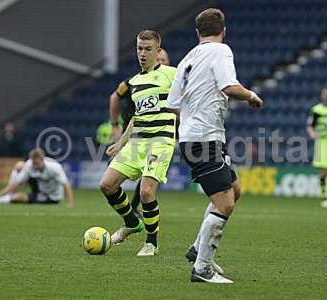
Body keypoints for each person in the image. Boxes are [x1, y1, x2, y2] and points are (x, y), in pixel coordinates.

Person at [167, 8, 263, 283]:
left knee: (234, 189)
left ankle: (198, 247)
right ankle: (202, 268)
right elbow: (229, 86)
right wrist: (253, 96)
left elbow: (173, 105)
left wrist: (193, 118)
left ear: (198, 33)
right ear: (224, 30)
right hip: (204, 139)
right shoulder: (221, 51)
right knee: (225, 204)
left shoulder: (187, 58)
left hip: (194, 137)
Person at [100, 31, 176, 256]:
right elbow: (137, 117)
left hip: (161, 141)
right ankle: (132, 222)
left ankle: (151, 242)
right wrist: (121, 142)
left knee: (146, 192)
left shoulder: (173, 74)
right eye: (139, 49)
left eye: (148, 49)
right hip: (137, 143)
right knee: (107, 185)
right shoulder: (134, 82)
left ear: (158, 50)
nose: (142, 53)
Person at [109, 48, 171, 217]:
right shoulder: (131, 82)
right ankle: (131, 213)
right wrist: (115, 125)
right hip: (133, 130)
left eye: (164, 60)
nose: (162, 62)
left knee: (148, 178)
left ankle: (134, 209)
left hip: (157, 133)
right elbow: (114, 97)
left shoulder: (171, 79)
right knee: (111, 181)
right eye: (159, 59)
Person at [0, 148, 74, 207]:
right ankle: (2, 198)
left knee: (17, 198)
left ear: (42, 160)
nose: (35, 166)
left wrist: (70, 203)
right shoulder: (30, 165)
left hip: (51, 196)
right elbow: (15, 184)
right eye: (33, 163)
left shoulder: (55, 167)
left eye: (36, 163)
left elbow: (66, 184)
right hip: (38, 187)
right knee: (19, 165)